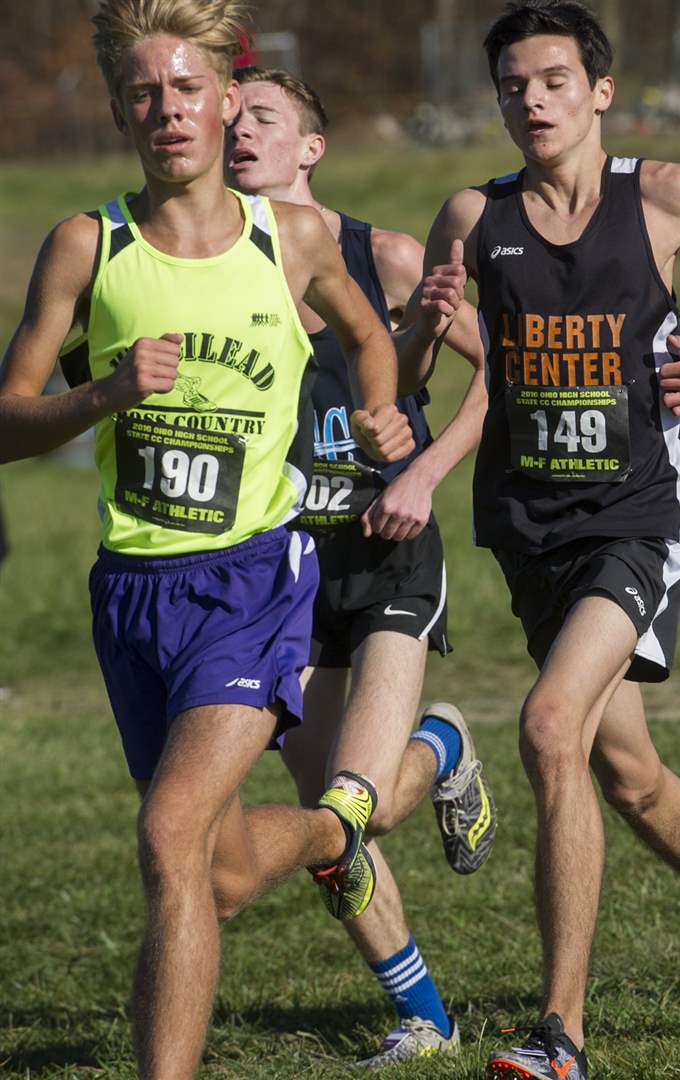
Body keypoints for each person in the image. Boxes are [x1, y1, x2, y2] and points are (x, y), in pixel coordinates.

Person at [0, 3, 415, 1077]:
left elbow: (371, 336)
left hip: (253, 583)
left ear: (228, 101)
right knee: (217, 867)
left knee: (166, 838)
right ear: (120, 110)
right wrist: (101, 394)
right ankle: (335, 830)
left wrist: (382, 411)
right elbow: (7, 420)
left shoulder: (296, 238)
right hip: (132, 593)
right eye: (145, 93)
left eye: (187, 89)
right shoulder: (89, 246)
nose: (168, 111)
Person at [401, 2, 680, 1074]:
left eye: (552, 81)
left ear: (599, 91)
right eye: (513, 86)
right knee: (622, 769)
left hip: (641, 506)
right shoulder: (470, 216)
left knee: (547, 729)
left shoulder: (664, 194)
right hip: (530, 519)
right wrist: (422, 324)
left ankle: (560, 1037)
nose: (531, 101)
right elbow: (413, 374)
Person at [226, 66, 496, 1069]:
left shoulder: (377, 255)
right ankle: (424, 1015)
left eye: (264, 119)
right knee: (323, 827)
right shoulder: (211, 265)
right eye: (231, 119)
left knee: (365, 801)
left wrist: (425, 471)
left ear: (311, 147)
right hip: (281, 574)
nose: (239, 133)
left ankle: (443, 741)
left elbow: (496, 372)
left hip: (386, 555)